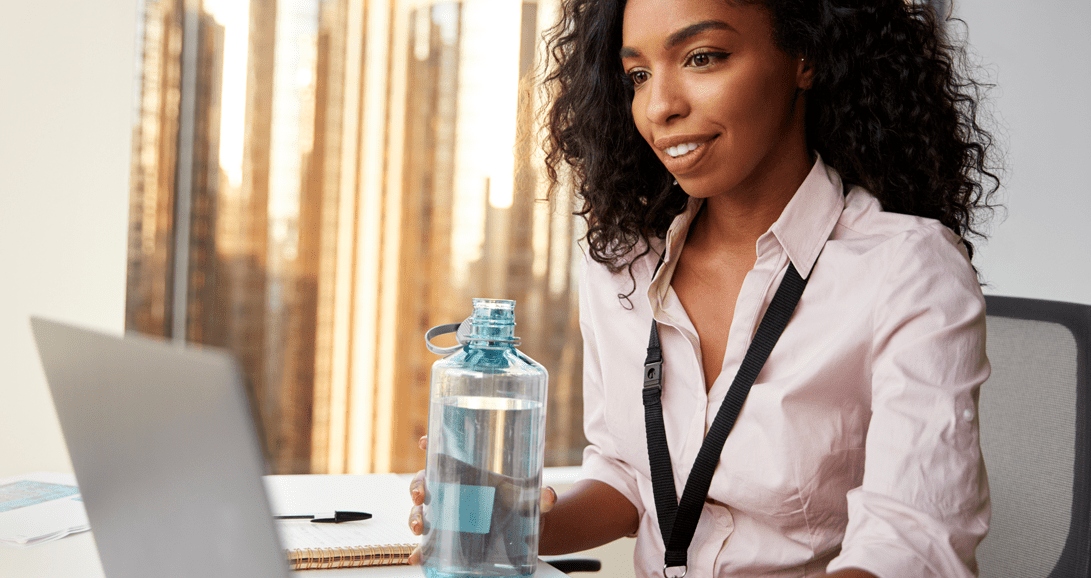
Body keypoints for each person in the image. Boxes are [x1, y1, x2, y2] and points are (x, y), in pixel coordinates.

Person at [411, 0, 997, 576]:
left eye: (703, 57)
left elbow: (911, 547)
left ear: (805, 56)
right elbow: (627, 475)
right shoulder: (624, 264)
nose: (659, 106)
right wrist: (514, 520)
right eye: (638, 75)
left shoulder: (908, 270)